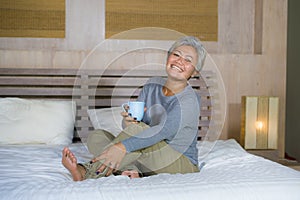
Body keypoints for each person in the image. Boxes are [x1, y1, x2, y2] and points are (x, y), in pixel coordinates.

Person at [62, 36, 207, 181]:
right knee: (97, 136)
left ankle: (85, 171)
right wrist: (127, 122)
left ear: (194, 72)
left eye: (188, 60)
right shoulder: (152, 85)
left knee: (135, 135)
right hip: (148, 153)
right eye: (176, 55)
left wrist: (121, 147)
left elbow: (161, 131)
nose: (180, 61)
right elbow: (135, 126)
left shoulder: (190, 100)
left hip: (179, 162)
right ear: (168, 57)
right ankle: (132, 170)